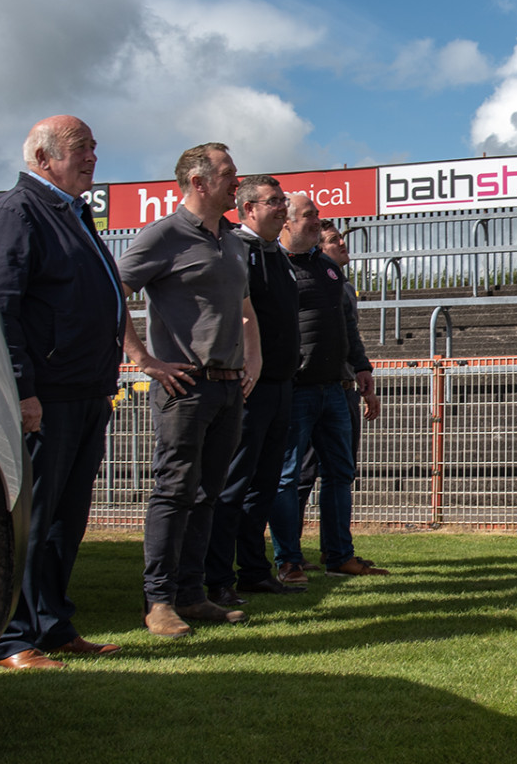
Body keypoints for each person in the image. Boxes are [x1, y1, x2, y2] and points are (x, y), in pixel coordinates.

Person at [0, 116, 126, 670]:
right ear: (43, 158)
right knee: (31, 522)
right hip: (46, 398)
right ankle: (9, 639)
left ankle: (53, 625)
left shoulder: (72, 215)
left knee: (65, 520)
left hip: (85, 394)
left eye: (93, 148)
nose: (91, 158)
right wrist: (22, 390)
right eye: (80, 149)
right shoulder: (16, 215)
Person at [117, 143, 263, 637]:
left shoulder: (234, 239)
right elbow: (112, 292)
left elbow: (244, 305)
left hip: (227, 387)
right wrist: (143, 360)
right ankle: (158, 601)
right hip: (184, 386)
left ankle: (191, 595)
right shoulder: (163, 235)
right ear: (198, 183)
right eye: (228, 174)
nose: (236, 182)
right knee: (175, 492)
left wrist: (252, 358)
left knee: (208, 495)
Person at [269, 198, 382, 580]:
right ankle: (288, 559)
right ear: (286, 222)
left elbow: (346, 325)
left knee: (340, 474)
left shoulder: (329, 270)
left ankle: (339, 555)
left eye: (317, 216)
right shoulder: (270, 263)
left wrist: (362, 366)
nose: (318, 222)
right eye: (310, 216)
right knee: (288, 476)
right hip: (295, 389)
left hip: (336, 388)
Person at [203, 175, 303, 606]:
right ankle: (217, 577)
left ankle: (254, 570)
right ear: (247, 209)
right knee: (234, 484)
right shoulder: (235, 250)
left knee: (263, 483)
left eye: (283, 201)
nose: (282, 208)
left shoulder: (275, 254)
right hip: (249, 386)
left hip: (281, 385)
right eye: (273, 202)